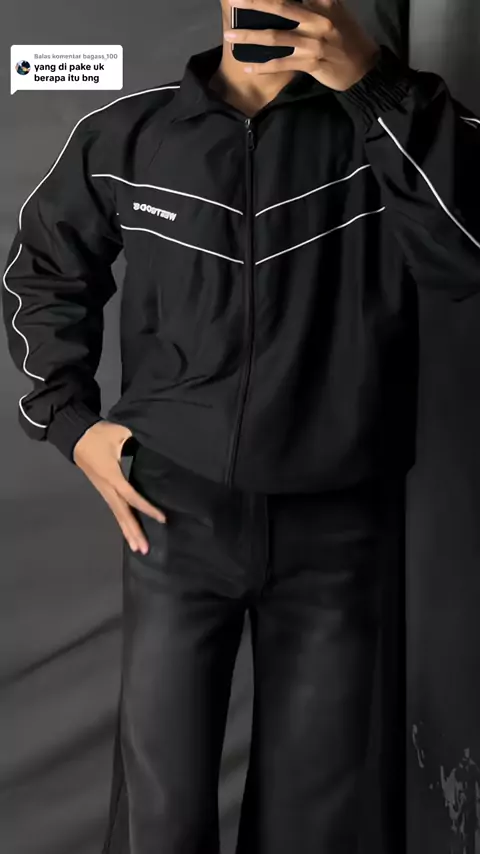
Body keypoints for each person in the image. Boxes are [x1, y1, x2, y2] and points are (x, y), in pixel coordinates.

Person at [2, 0, 480, 851]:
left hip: (339, 521)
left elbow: (467, 252)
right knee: (160, 818)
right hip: (172, 511)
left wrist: (374, 87)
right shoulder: (133, 134)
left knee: (317, 823)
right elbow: (41, 272)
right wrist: (71, 423)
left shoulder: (395, 122)